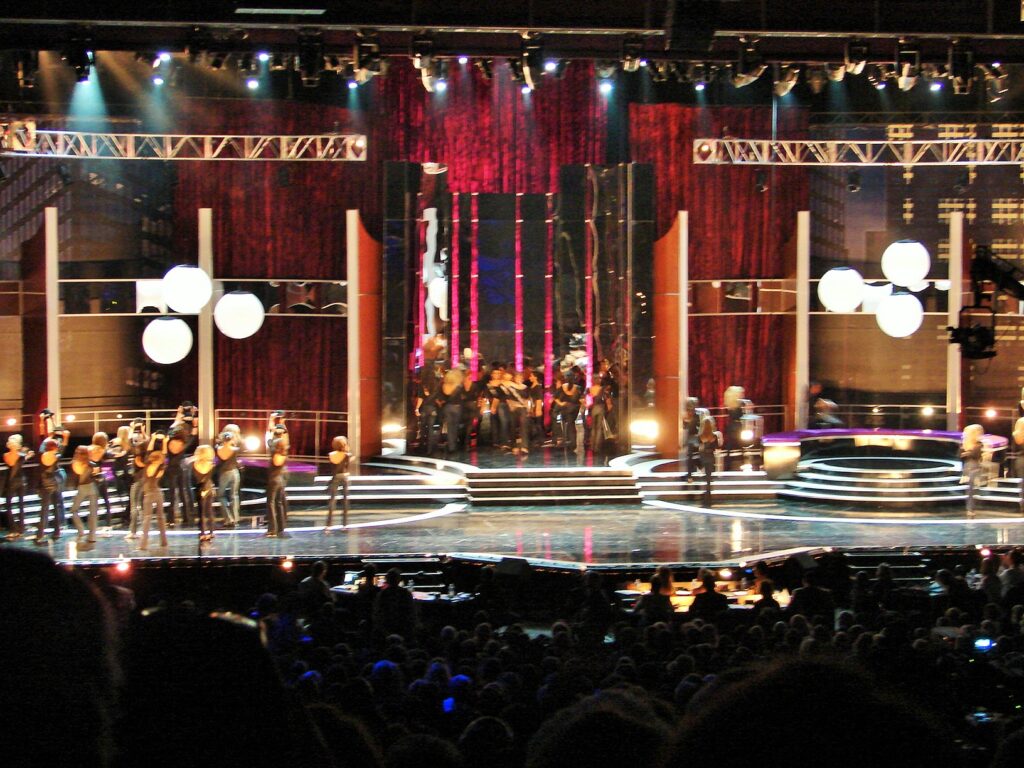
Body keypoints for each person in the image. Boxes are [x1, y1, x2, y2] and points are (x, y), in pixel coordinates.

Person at [372, 567, 418, 639]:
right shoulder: (406, 593)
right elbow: (412, 613)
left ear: (387, 579)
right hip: (403, 629)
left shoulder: (382, 594)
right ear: (399, 579)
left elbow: (377, 613)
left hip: (385, 628)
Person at [2, 434, 33, 539]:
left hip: (11, 481)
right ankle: (21, 529)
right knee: (21, 505)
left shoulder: (5, 455)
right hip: (22, 481)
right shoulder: (21, 455)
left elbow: (11, 464)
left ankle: (13, 529)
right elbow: (22, 460)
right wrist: (27, 454)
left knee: (9, 505)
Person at [163, 424, 194, 527]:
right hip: (181, 468)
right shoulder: (183, 443)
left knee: (172, 495)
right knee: (182, 493)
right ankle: (186, 518)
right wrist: (195, 425)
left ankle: (170, 519)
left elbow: (165, 453)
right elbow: (192, 438)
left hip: (171, 468)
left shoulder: (169, 442)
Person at [33, 439, 63, 543]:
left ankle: (40, 534)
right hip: (54, 484)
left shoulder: (43, 455)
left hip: (45, 484)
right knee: (56, 508)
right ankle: (57, 531)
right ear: (55, 447)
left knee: (44, 510)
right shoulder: (56, 456)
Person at [138, 449, 168, 550]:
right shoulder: (159, 468)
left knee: (149, 518)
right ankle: (163, 542)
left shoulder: (153, 467)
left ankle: (144, 545)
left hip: (151, 493)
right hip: (154, 493)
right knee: (158, 518)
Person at [67, 445, 97, 542]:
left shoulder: (74, 463)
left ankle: (81, 530)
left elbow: (77, 478)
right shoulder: (91, 464)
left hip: (82, 488)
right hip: (91, 487)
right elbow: (94, 474)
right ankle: (92, 536)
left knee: (73, 510)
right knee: (92, 513)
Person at [216, 424, 243, 528]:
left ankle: (228, 519)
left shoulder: (218, 448)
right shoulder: (235, 448)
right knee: (234, 495)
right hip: (234, 472)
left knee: (221, 495)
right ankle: (235, 519)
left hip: (224, 473)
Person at [266, 426, 289, 538]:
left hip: (274, 480)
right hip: (280, 480)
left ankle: (272, 529)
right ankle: (280, 528)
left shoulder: (274, 453)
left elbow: (269, 441)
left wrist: (271, 430)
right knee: (279, 503)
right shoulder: (284, 453)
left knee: (270, 503)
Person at [190, 444, 216, 542]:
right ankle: (211, 532)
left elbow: (195, 479)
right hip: (209, 488)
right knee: (209, 511)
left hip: (200, 489)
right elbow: (208, 479)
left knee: (201, 513)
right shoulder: (211, 464)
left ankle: (202, 533)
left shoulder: (194, 464)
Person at [325, 435, 351, 531]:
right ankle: (344, 525)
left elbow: (331, 469)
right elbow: (347, 466)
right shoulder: (347, 455)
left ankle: (329, 525)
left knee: (332, 501)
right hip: (344, 477)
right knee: (344, 501)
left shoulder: (331, 455)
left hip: (335, 477)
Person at [551, 369, 582, 450]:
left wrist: (561, 404)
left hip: (565, 409)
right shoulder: (578, 388)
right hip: (574, 410)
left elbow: (555, 397)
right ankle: (573, 444)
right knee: (571, 426)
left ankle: (565, 441)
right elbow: (581, 399)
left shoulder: (562, 387)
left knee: (565, 425)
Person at [439, 366, 464, 454]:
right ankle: (455, 445)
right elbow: (462, 397)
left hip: (447, 407)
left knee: (449, 427)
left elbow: (443, 397)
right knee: (455, 427)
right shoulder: (459, 386)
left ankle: (451, 446)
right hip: (456, 407)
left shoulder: (444, 385)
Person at [961, 423, 985, 516]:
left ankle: (971, 509)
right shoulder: (966, 444)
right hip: (968, 467)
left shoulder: (979, 444)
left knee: (972, 490)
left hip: (974, 468)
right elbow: (962, 455)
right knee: (969, 490)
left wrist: (967, 453)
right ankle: (969, 509)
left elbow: (975, 454)